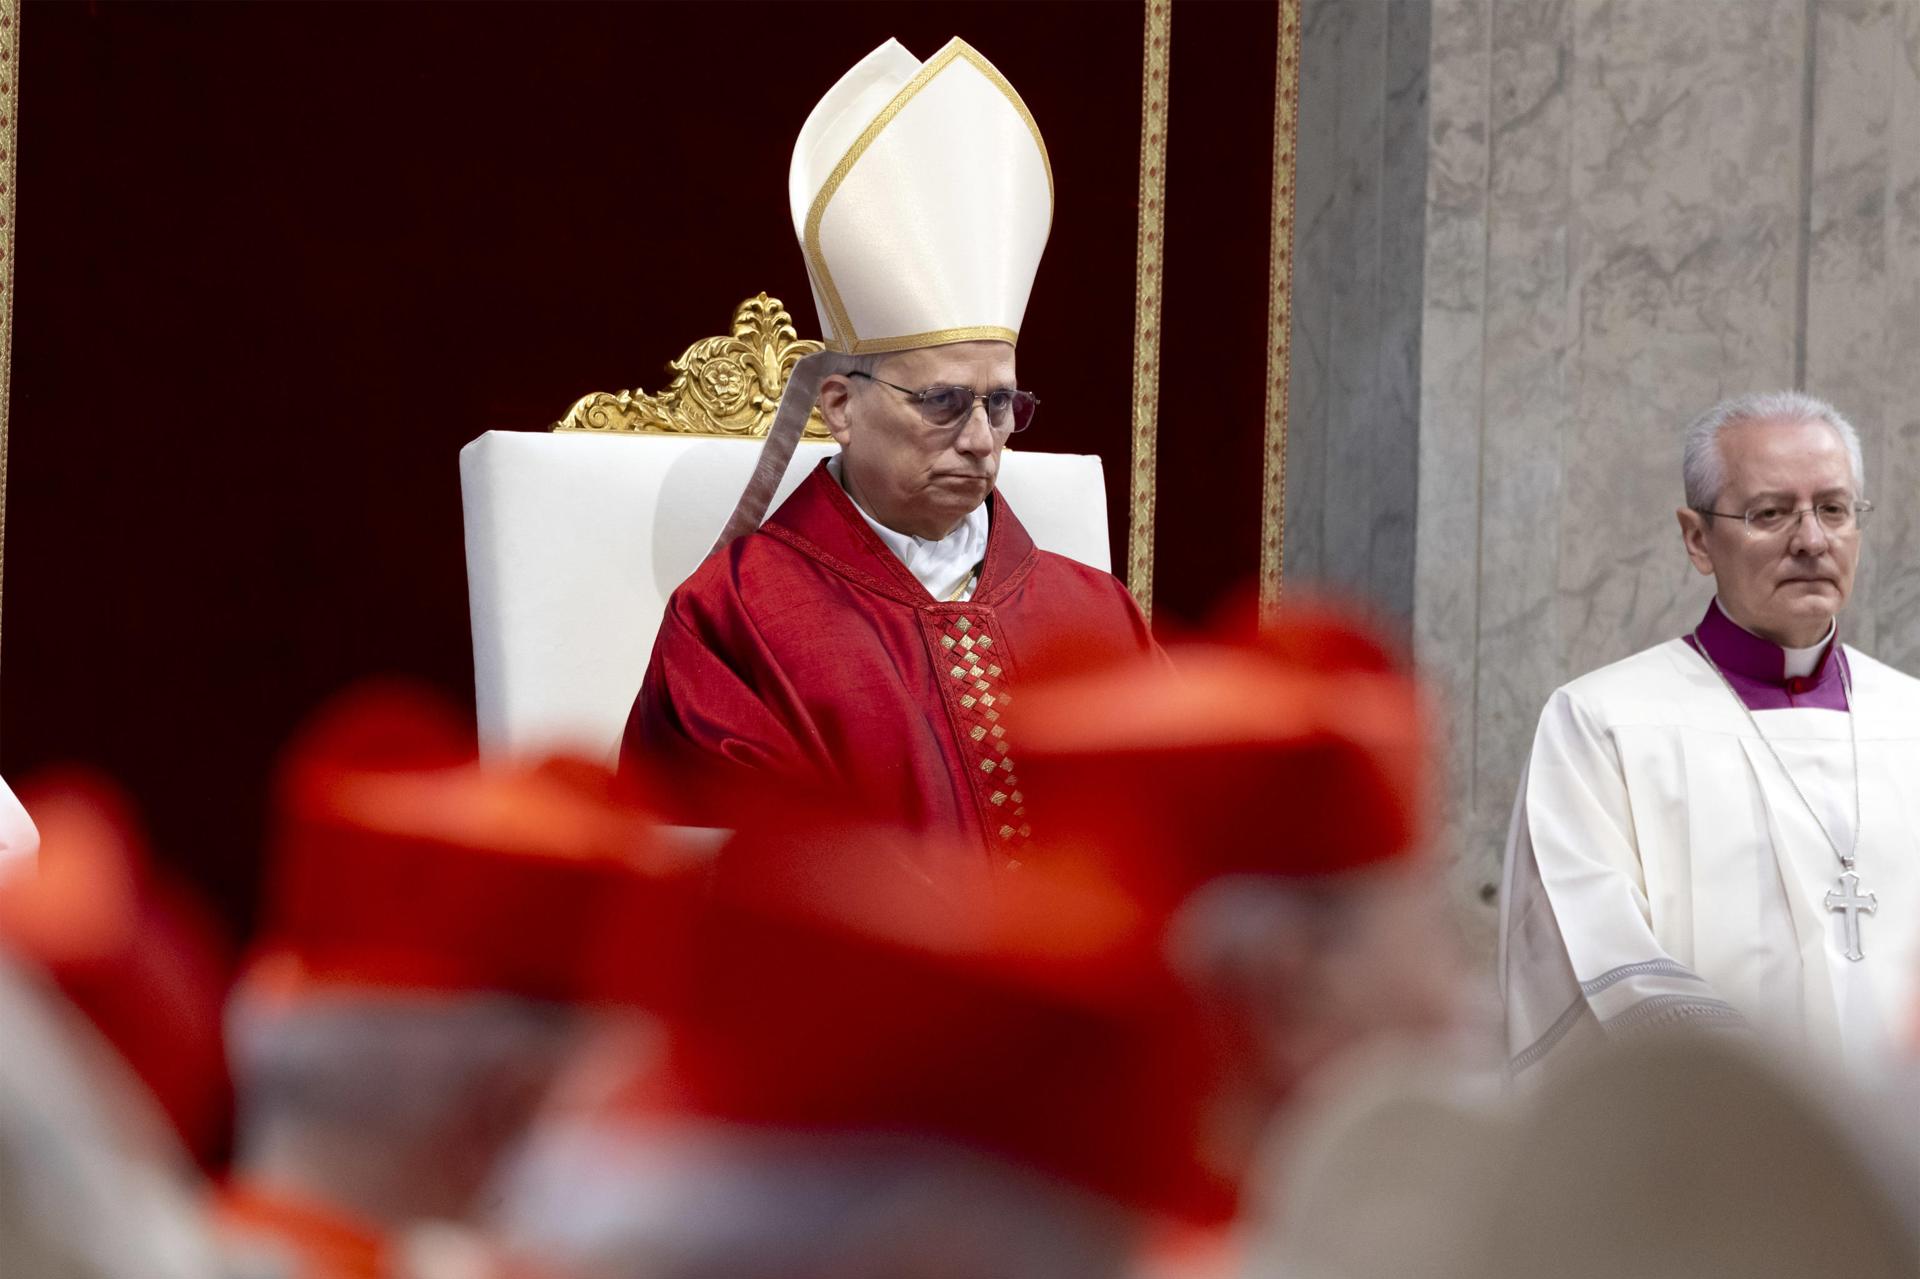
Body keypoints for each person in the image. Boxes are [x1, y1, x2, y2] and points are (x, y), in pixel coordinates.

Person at [625, 38, 1154, 858]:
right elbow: (731, 890)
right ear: (840, 405)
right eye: (943, 401)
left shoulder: (1101, 617)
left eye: (1002, 403)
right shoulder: (736, 620)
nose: (982, 441)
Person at [1500, 391, 1920, 1078]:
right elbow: (1598, 955)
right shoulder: (1602, 724)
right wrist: (1767, 1112)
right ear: (1698, 538)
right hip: (1709, 1147)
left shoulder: (1911, 720)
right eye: (1771, 512)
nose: (1811, 539)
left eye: (1834, 509)